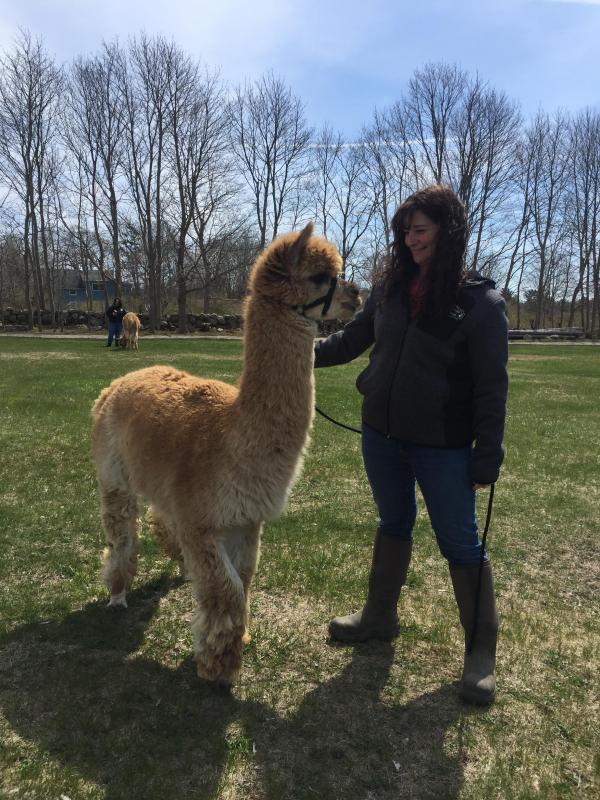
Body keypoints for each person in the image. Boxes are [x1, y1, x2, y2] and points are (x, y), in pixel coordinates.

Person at [314, 184, 508, 704]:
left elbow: (492, 387)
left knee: (461, 542)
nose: (411, 239)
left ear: (447, 233)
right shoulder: (391, 287)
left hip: (443, 447)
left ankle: (480, 652)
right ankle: (380, 617)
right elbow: (351, 340)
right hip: (381, 435)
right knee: (392, 522)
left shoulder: (480, 303)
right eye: (405, 231)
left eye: (420, 230)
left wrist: (487, 452)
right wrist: (292, 349)